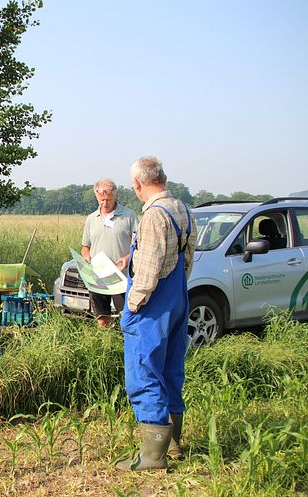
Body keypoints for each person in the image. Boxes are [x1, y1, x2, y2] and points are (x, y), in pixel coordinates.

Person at [116, 156, 196, 471]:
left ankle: (152, 457)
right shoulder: (183, 209)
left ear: (138, 184)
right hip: (177, 296)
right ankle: (173, 444)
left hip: (153, 302)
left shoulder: (151, 216)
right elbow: (186, 258)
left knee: (145, 371)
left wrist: (132, 306)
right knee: (171, 369)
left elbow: (147, 271)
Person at [81, 179, 139, 327]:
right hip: (98, 277)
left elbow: (140, 244)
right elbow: (85, 246)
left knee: (126, 317)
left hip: (121, 277)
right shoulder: (91, 219)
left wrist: (127, 257)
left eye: (108, 199)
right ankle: (106, 344)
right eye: (101, 200)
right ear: (96, 196)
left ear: (115, 196)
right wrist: (86, 256)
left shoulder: (129, 216)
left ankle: (126, 344)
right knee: (102, 316)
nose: (105, 203)